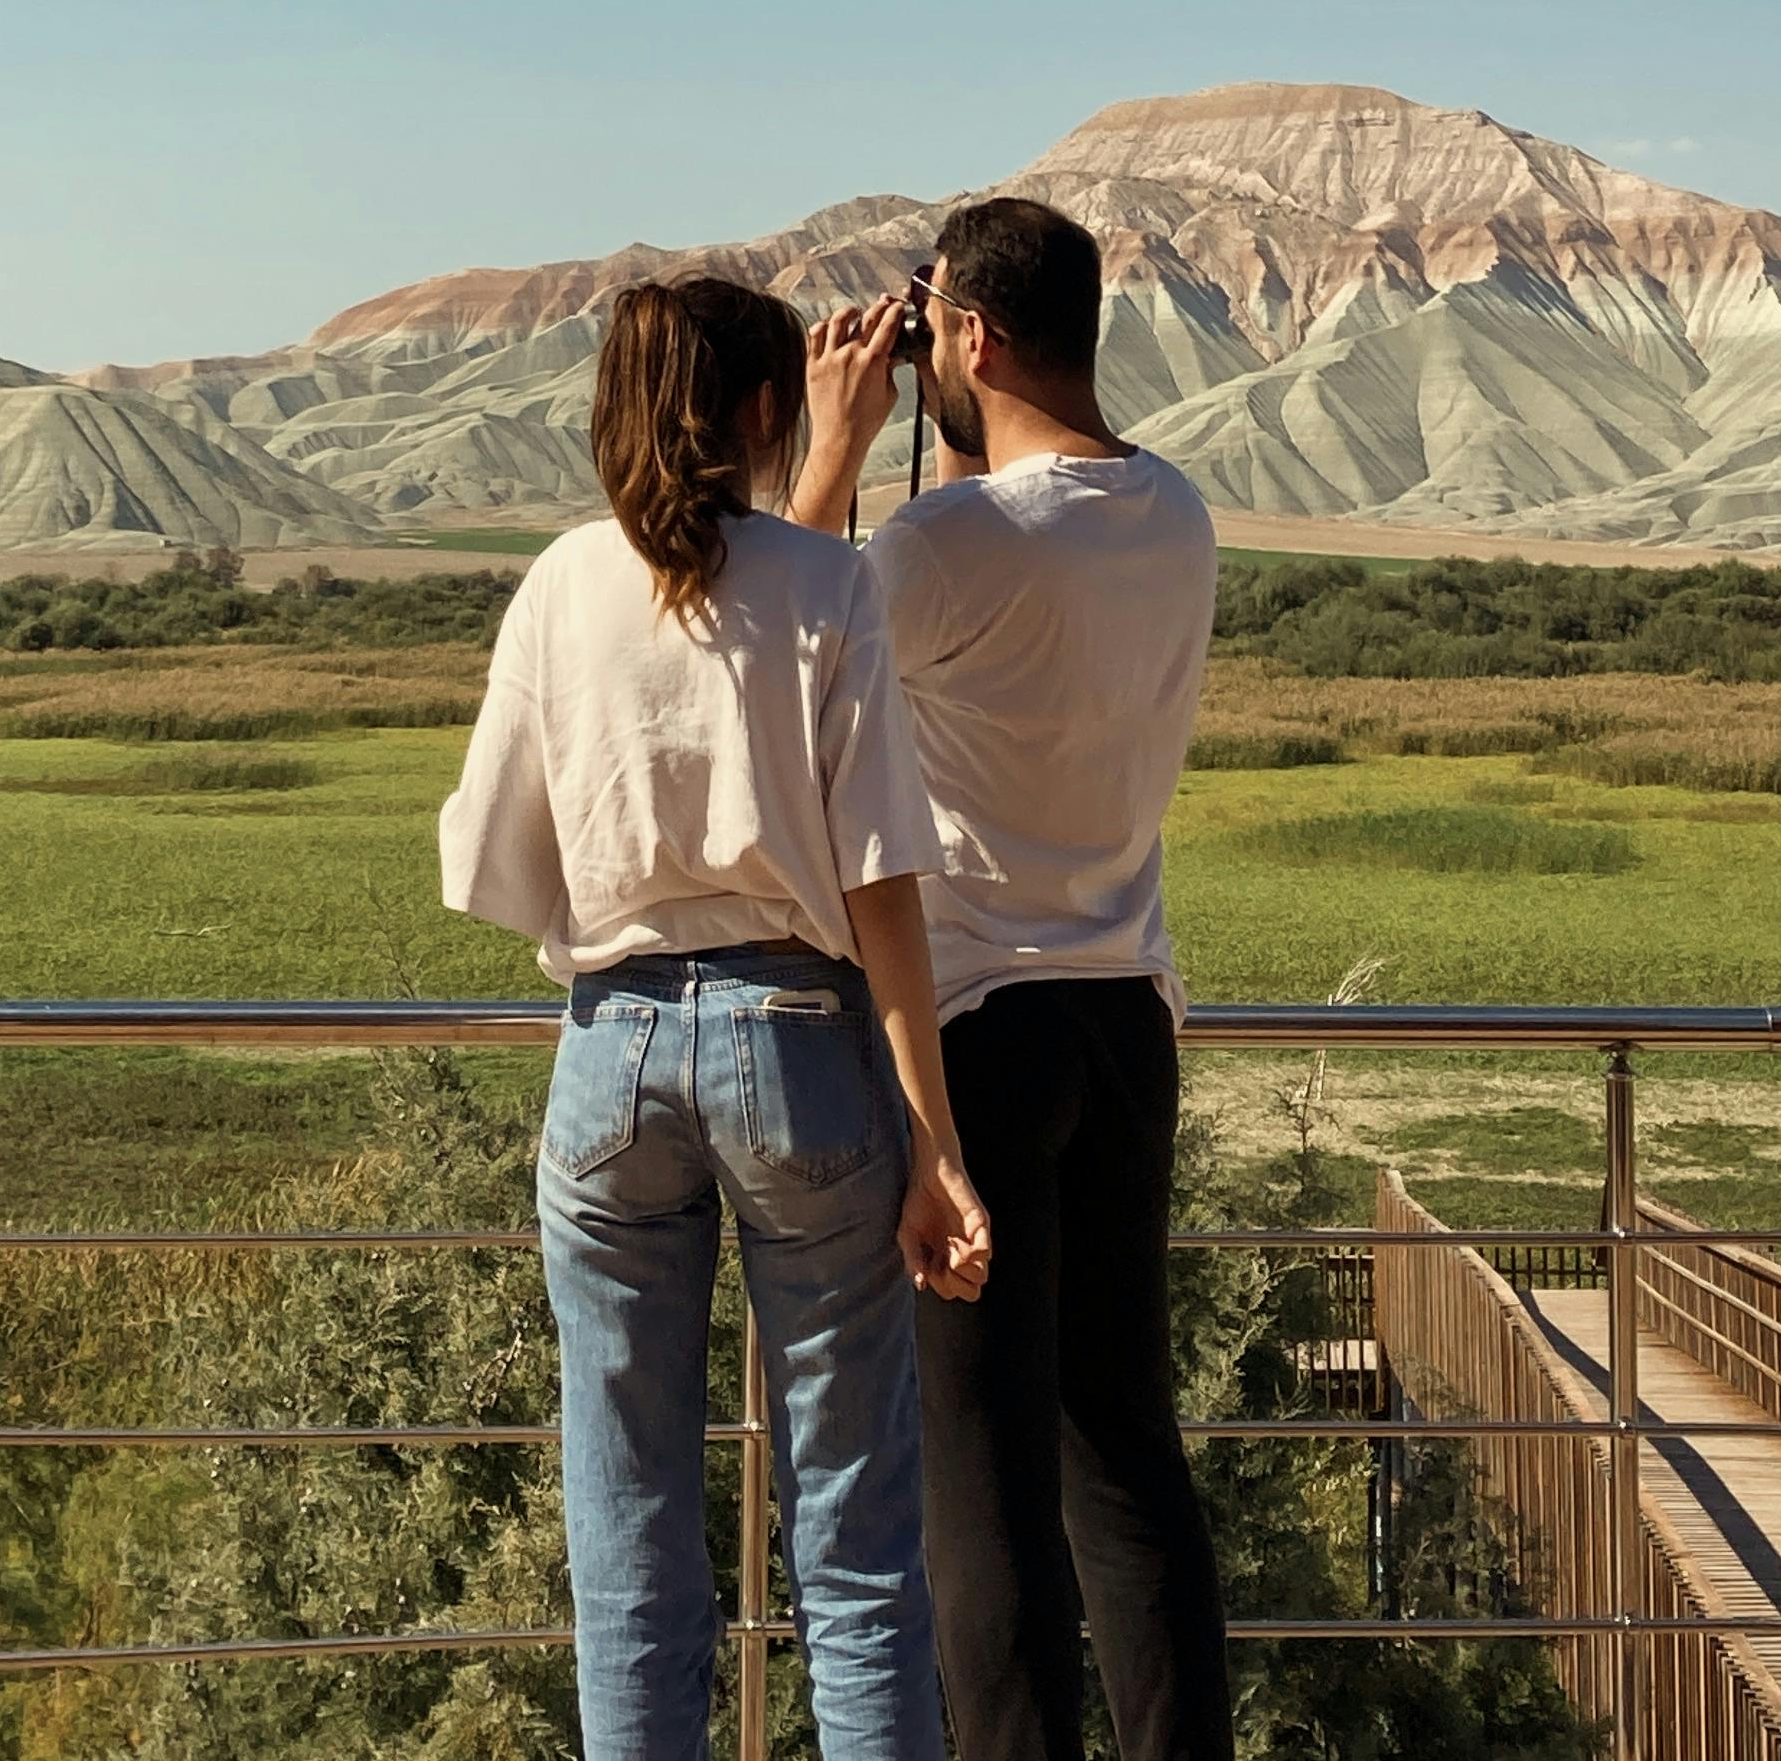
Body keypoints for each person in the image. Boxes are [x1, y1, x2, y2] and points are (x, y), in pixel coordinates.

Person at [440, 273, 994, 1761]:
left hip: (609, 1055)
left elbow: (488, 851)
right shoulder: (831, 590)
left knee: (627, 1537)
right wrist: (934, 1149)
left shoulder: (559, 584)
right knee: (858, 1544)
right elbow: (883, 880)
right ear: (767, 411)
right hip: (803, 1054)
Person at [792, 197, 1231, 1761]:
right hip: (1130, 1022)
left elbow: (791, 658)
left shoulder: (933, 546)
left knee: (982, 1489)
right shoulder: (1177, 513)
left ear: (963, 336)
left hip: (978, 1040)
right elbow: (1020, 536)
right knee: (1126, 1464)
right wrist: (960, 414)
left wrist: (845, 440)